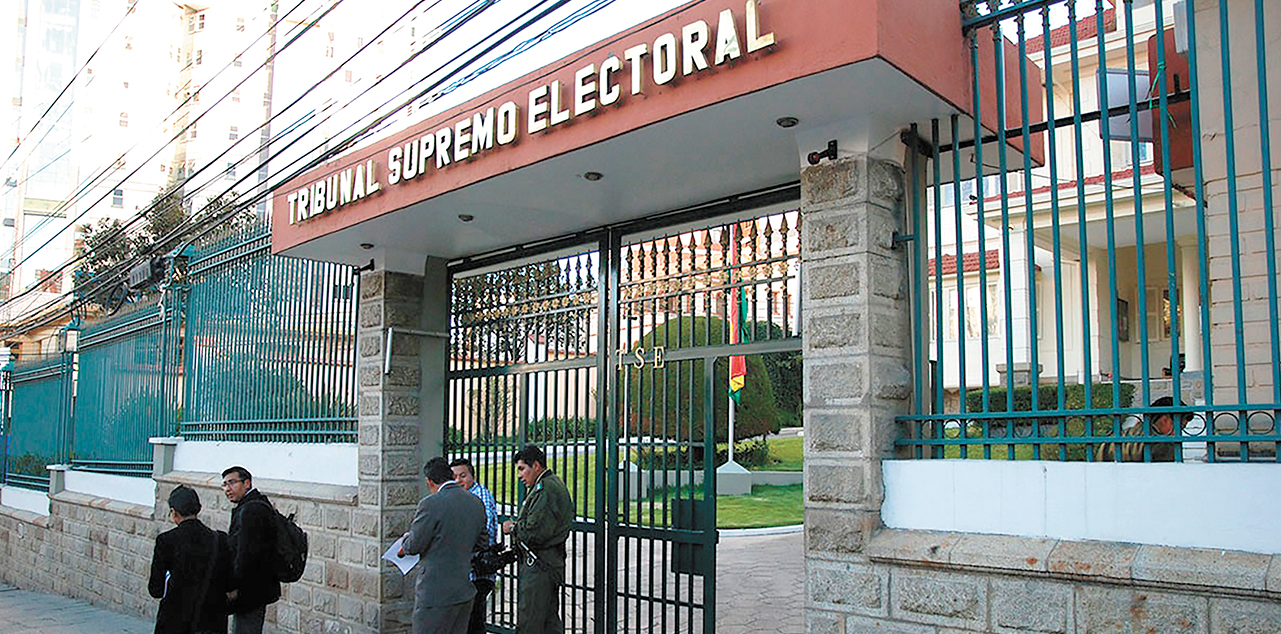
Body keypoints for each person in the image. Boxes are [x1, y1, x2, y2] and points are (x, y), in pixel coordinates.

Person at [402, 457, 490, 634]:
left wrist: (406, 539)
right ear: (451, 475)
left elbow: (413, 546)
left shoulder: (430, 504)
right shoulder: (475, 502)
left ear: (429, 481)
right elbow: (482, 543)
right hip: (464, 590)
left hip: (434, 593)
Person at [501, 445, 574, 634]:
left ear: (535, 465)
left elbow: (535, 532)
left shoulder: (545, 489)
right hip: (547, 564)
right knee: (548, 622)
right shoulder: (549, 484)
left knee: (531, 621)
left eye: (522, 469)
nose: (519, 475)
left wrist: (513, 527)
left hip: (540, 566)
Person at [148, 485, 232, 634]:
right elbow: (229, 583)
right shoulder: (220, 540)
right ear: (198, 509)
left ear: (174, 512)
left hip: (175, 622)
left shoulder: (166, 541)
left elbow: (156, 589)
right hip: (212, 622)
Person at [221, 466, 280, 634]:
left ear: (246, 483)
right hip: (255, 588)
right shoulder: (252, 505)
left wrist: (233, 585)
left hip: (251, 590)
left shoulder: (251, 509)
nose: (227, 489)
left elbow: (246, 553)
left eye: (232, 483)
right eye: (224, 485)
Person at [450, 458, 500, 634]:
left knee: (474, 622)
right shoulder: (460, 498)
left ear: (473, 476)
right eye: (454, 477)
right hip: (465, 571)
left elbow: (484, 531)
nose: (458, 480)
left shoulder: (479, 496)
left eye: (463, 476)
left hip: (479, 571)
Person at [1095, 396, 1192, 462]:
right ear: (1165, 420)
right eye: (1180, 427)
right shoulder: (1162, 445)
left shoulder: (1124, 434)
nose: (1178, 433)